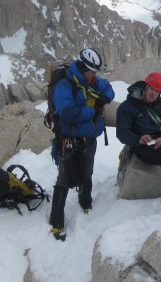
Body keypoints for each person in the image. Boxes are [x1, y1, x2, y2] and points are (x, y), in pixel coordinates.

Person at [49, 47, 115, 241]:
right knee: (64, 179)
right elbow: (69, 112)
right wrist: (93, 112)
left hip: (89, 139)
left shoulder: (93, 81)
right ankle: (56, 222)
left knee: (87, 172)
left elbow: (108, 89)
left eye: (95, 72)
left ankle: (85, 201)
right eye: (91, 71)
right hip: (68, 140)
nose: (94, 75)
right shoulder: (65, 86)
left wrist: (104, 98)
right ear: (82, 67)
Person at [116, 72, 161, 181]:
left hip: (159, 137)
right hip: (139, 144)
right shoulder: (127, 107)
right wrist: (138, 139)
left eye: (157, 91)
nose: (154, 94)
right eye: (152, 89)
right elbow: (122, 132)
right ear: (145, 87)